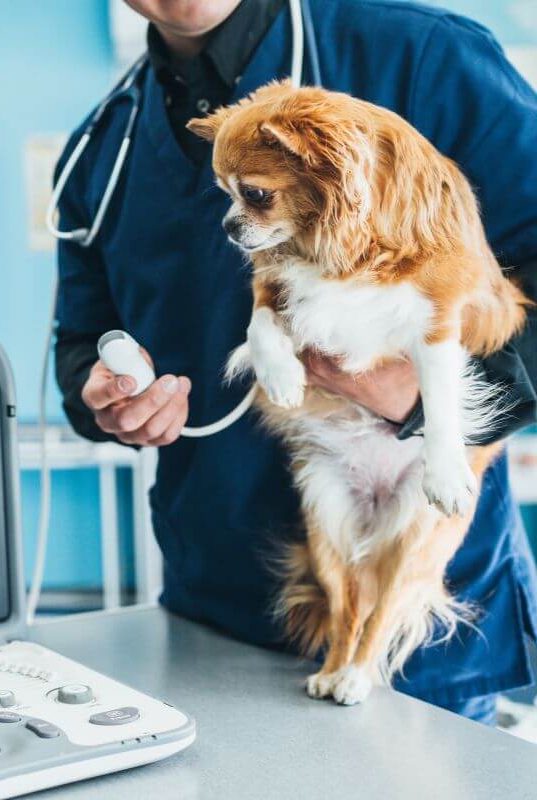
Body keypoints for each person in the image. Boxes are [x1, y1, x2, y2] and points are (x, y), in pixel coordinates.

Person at [54, 0, 537, 724]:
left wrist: (423, 396)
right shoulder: (98, 151)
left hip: (425, 633)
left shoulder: (425, 57)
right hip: (214, 622)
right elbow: (80, 341)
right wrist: (101, 393)